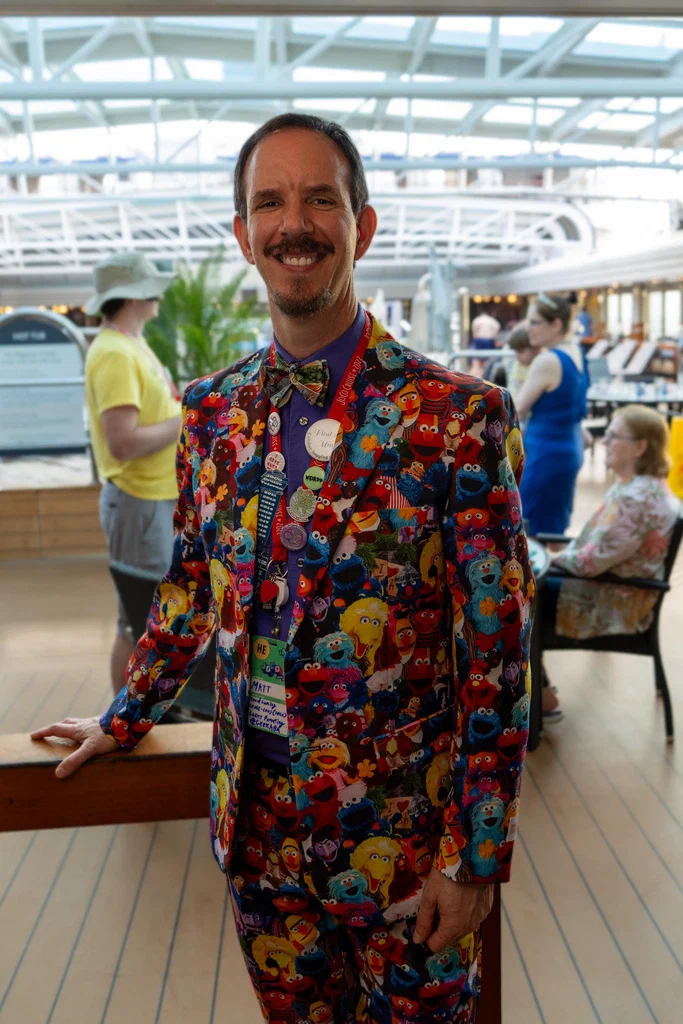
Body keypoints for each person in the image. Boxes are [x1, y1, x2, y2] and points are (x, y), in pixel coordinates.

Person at [32, 114, 534, 1024]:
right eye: (269, 201)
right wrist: (127, 711)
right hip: (257, 835)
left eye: (318, 199)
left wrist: (476, 856)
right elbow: (190, 583)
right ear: (243, 235)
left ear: (362, 225)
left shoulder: (460, 417)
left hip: (408, 848)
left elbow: (497, 659)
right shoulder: (213, 409)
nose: (292, 222)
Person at [540, 405, 678, 721]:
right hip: (616, 588)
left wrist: (549, 557)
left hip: (615, 601)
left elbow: (590, 563)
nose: (604, 441)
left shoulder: (635, 499)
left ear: (641, 446)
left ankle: (542, 698)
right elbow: (602, 547)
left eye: (614, 436)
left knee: (517, 602)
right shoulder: (639, 486)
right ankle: (539, 689)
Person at [83, 251, 181, 693]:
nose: (159, 292)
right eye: (149, 285)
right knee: (138, 620)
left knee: (147, 616)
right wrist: (185, 419)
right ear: (131, 297)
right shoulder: (115, 354)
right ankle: (123, 716)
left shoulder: (128, 343)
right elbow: (123, 442)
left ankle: (138, 712)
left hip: (150, 498)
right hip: (138, 500)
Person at [516, 292, 588, 537]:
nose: (529, 330)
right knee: (552, 531)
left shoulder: (547, 360)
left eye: (535, 322)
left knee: (529, 531)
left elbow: (515, 410)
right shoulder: (577, 354)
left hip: (546, 455)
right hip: (569, 450)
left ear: (556, 324)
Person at [506, 323, 537, 400]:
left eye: (521, 351)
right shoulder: (518, 366)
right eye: (516, 352)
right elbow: (513, 387)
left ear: (535, 348)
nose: (517, 356)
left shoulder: (538, 365)